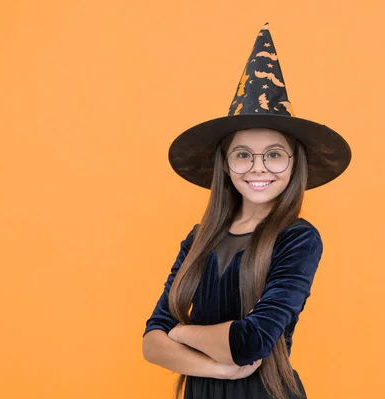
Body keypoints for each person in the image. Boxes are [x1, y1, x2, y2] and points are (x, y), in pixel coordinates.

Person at [142, 23, 351, 399]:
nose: (258, 168)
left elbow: (250, 342)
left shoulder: (297, 238)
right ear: (225, 165)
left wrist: (181, 332)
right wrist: (217, 369)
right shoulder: (199, 238)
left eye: (273, 154)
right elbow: (151, 344)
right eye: (243, 155)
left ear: (293, 164)